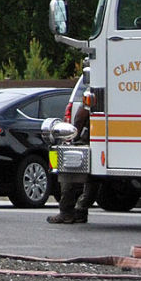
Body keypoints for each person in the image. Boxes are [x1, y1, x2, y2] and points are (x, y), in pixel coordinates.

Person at [47, 83, 99, 224]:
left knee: (68, 171)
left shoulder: (92, 90)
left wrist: (73, 138)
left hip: (89, 140)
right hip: (102, 141)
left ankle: (66, 212)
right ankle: (81, 209)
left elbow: (80, 118)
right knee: (94, 179)